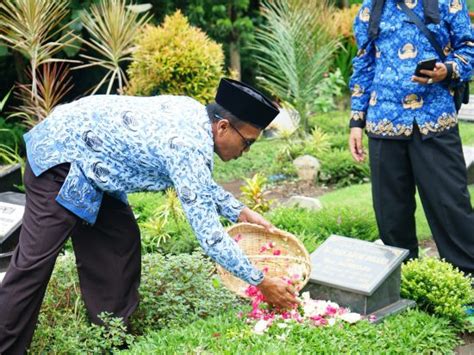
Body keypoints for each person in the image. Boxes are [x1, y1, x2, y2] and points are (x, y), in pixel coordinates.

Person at [0, 78, 299, 353]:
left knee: (119, 243)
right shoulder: (187, 144)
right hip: (60, 157)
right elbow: (209, 237)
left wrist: (240, 211)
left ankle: (112, 340)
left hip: (97, 167)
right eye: (247, 142)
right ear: (222, 126)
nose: (246, 151)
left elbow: (194, 181)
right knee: (33, 265)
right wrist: (261, 282)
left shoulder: (196, 116)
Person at [348, 0, 474, 276]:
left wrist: (448, 69)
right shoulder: (371, 9)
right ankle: (403, 283)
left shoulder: (448, 3)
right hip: (384, 121)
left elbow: (469, 48)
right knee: (391, 214)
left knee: (451, 206)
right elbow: (364, 63)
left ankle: (468, 282)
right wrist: (356, 120)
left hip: (434, 121)